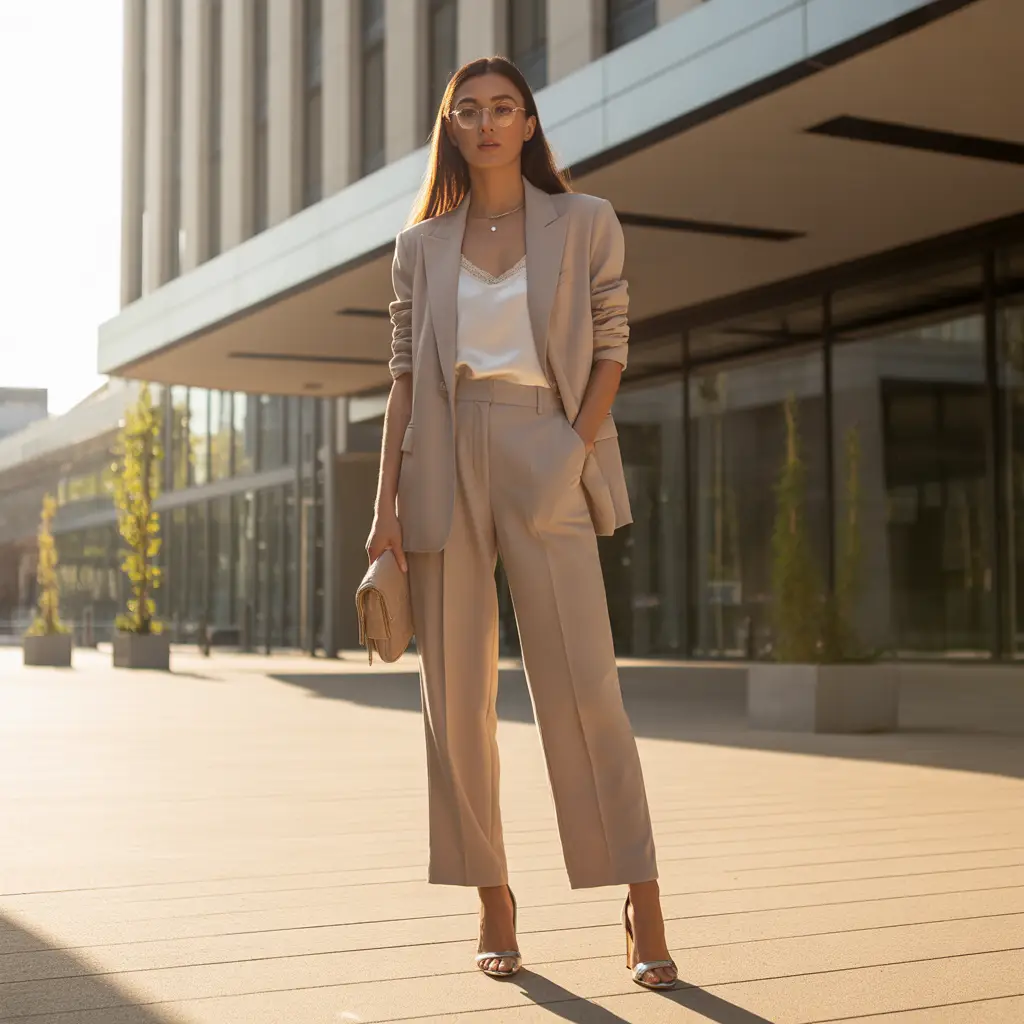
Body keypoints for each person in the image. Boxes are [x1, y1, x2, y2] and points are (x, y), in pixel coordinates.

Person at [366, 56, 677, 991]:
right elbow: (403, 381)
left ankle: (642, 896)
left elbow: (613, 345)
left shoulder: (584, 223)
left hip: (546, 439)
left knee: (587, 690)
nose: (490, 122)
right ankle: (493, 896)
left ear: (531, 123)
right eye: (472, 111)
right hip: (442, 456)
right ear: (451, 128)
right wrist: (383, 514)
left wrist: (572, 449)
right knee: (456, 699)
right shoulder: (421, 245)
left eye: (506, 108)